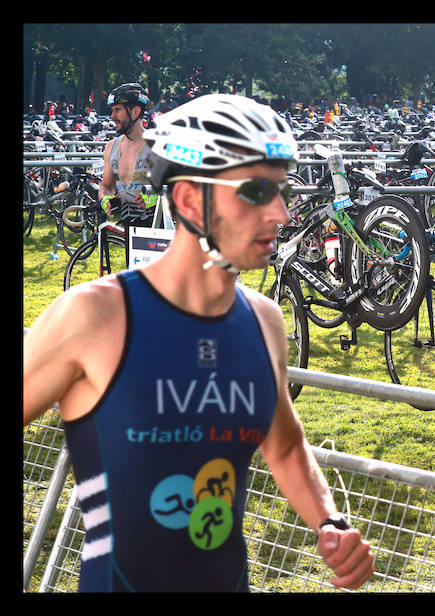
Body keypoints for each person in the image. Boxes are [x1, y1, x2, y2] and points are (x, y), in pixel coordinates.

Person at [23, 93, 375, 592]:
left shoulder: (264, 322)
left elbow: (286, 445)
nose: (281, 214)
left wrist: (328, 522)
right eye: (256, 192)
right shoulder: (95, 316)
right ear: (189, 201)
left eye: (283, 192)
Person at [98, 83, 156, 226]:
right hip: (129, 231)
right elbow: (106, 185)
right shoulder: (111, 147)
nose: (112, 116)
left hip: (159, 232)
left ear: (136, 111)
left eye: (118, 110)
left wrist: (157, 196)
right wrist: (105, 198)